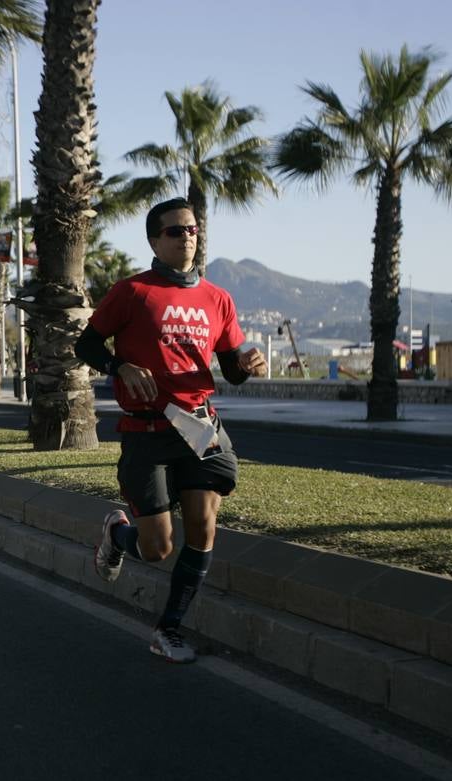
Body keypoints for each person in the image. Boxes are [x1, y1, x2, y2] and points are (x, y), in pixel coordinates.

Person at [78, 197, 267, 664]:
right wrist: (120, 366)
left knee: (203, 528)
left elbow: (230, 367)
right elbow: (85, 343)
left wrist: (247, 364)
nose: (187, 237)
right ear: (154, 241)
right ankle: (116, 534)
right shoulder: (133, 292)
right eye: (176, 231)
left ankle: (168, 629)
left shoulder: (218, 299)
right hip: (147, 432)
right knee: (158, 547)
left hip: (199, 428)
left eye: (193, 229)